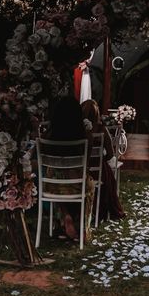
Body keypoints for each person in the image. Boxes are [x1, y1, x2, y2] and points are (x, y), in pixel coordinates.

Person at [43, 97, 95, 242]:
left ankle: (65, 215)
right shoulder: (85, 136)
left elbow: (40, 152)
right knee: (90, 185)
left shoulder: (49, 136)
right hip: (77, 184)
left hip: (53, 185)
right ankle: (84, 226)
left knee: (53, 178)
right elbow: (87, 161)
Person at [81, 99, 125, 220]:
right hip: (99, 173)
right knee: (106, 168)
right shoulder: (101, 129)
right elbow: (110, 154)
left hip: (80, 169)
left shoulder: (76, 130)